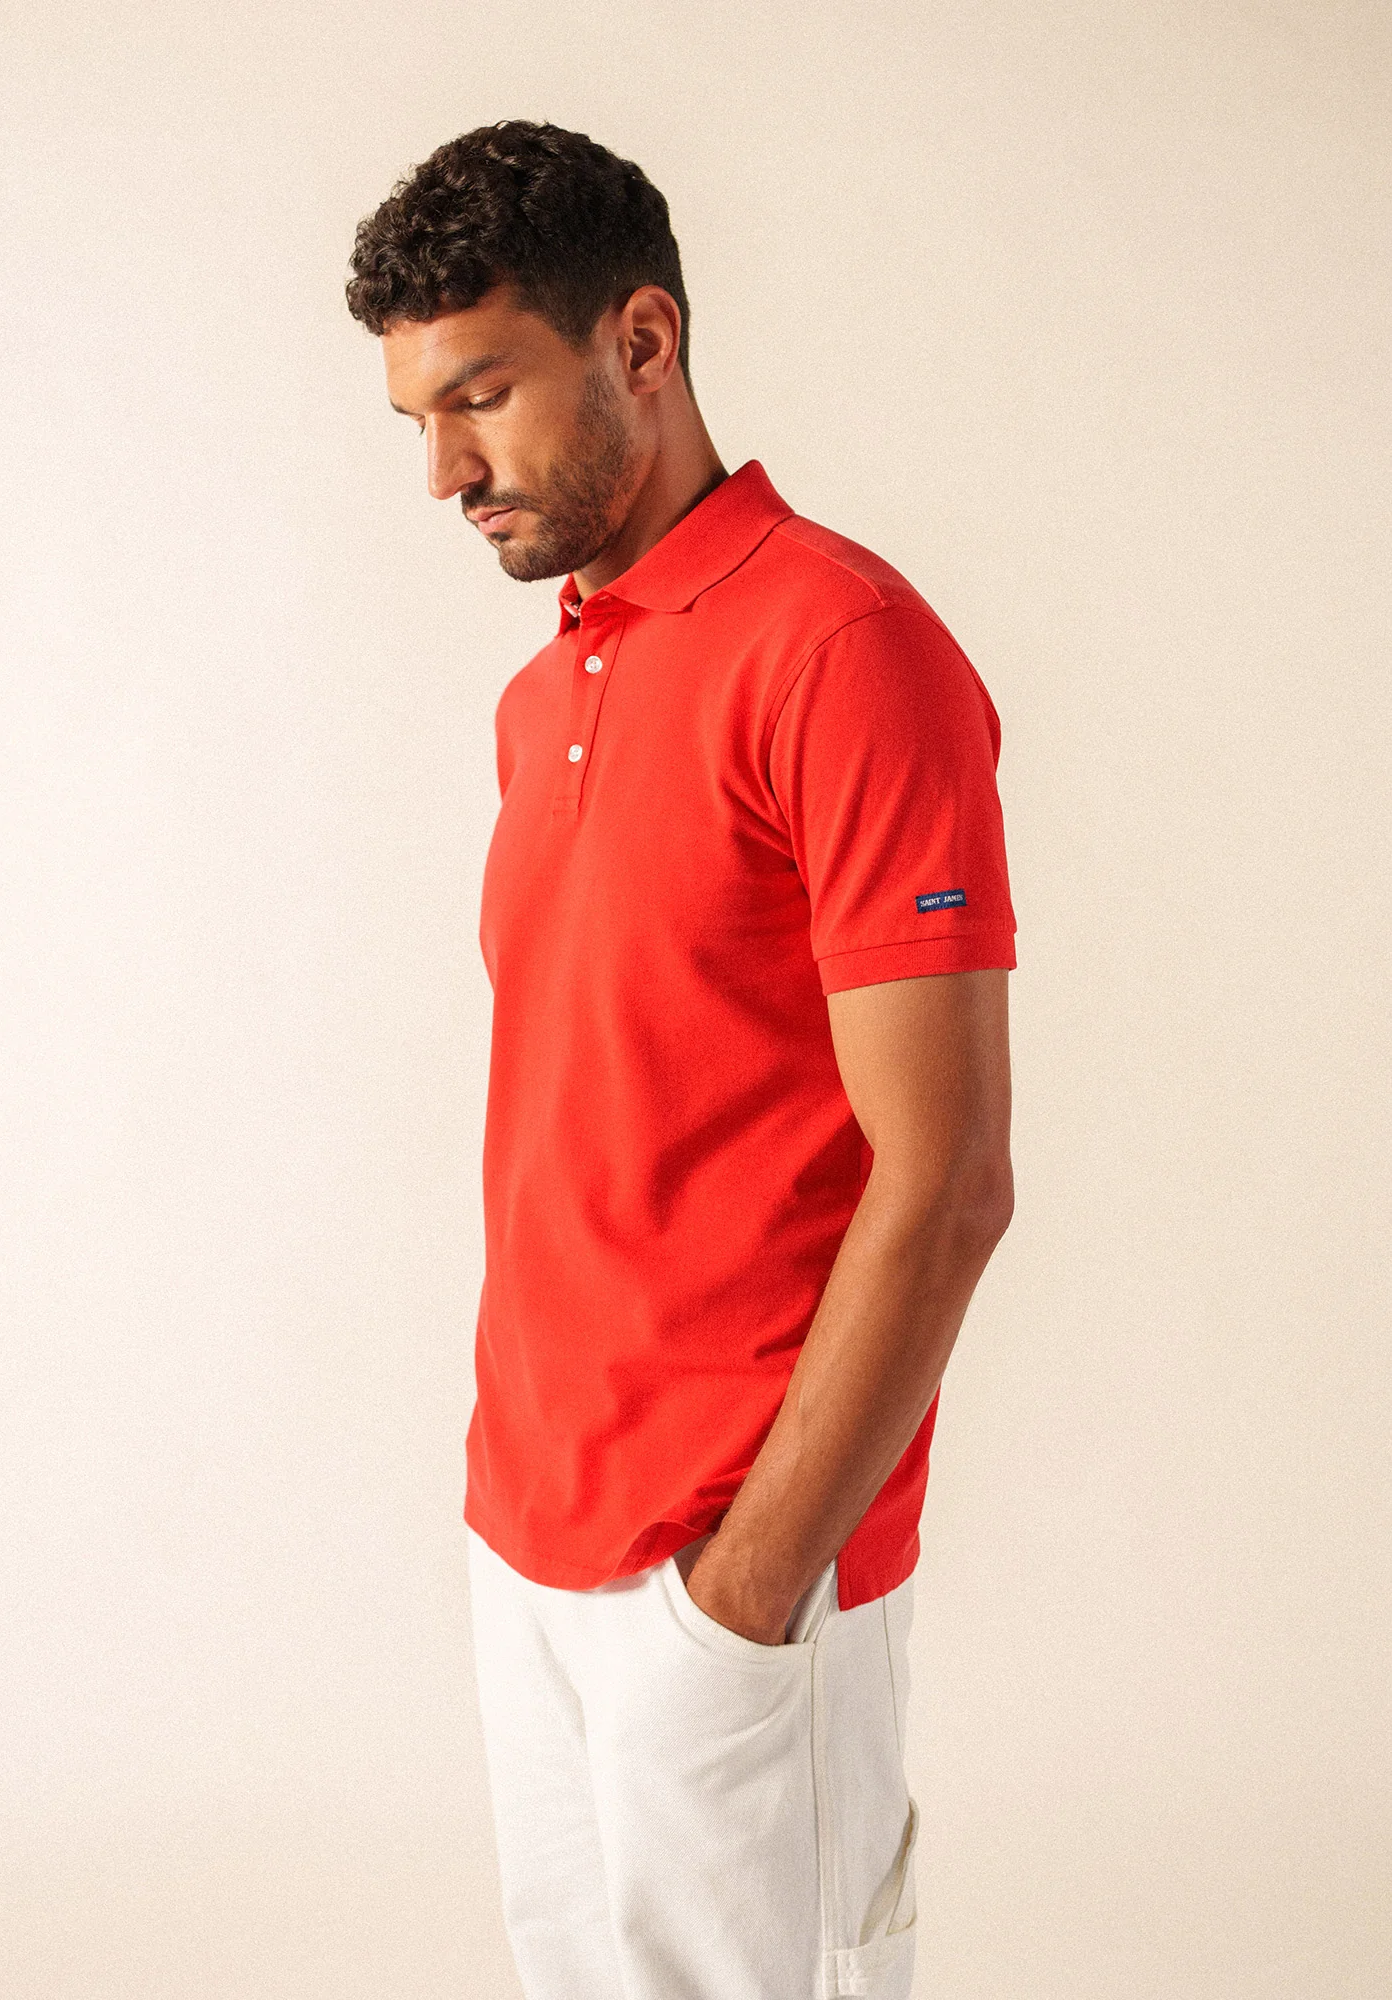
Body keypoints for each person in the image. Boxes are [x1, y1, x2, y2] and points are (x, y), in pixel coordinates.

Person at [346, 117, 1016, 2000]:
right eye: (415, 416)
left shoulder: (842, 649)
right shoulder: (541, 688)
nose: (442, 470)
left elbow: (949, 1181)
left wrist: (746, 1588)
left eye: (481, 395)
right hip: (529, 1539)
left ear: (640, 343)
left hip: (733, 1569)